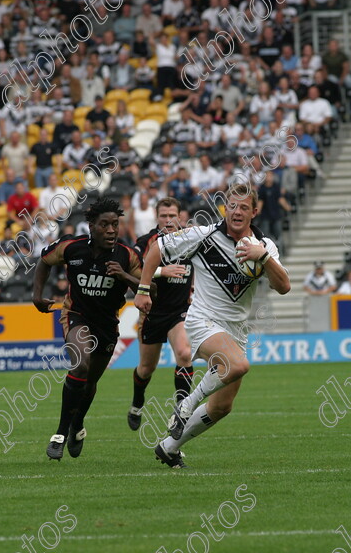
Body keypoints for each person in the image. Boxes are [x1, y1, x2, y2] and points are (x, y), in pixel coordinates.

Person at [135, 184, 291, 468]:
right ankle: (186, 404)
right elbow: (157, 248)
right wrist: (144, 289)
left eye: (244, 207)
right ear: (225, 208)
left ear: (254, 212)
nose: (237, 211)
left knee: (222, 406)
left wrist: (264, 257)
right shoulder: (203, 236)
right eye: (232, 205)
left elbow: (284, 286)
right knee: (239, 365)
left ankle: (169, 447)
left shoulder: (264, 245)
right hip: (201, 320)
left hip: (236, 330)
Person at [32, 198, 142, 460]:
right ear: (91, 226)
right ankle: (59, 433)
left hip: (107, 324)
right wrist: (37, 296)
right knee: (80, 366)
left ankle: (77, 425)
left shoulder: (127, 256)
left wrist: (125, 277)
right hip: (76, 315)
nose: (112, 230)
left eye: (115, 224)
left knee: (89, 383)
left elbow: (150, 290)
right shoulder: (72, 247)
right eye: (104, 225)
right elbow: (44, 261)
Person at [127, 198, 194, 431]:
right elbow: (133, 272)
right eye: (164, 216)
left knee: (185, 354)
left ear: (180, 216)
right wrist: (161, 271)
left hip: (180, 310)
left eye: (172, 215)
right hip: (152, 312)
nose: (168, 220)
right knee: (146, 368)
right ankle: (137, 402)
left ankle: (181, 411)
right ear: (156, 218)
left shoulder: (191, 237)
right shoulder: (147, 242)